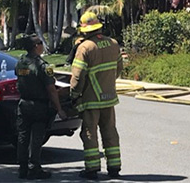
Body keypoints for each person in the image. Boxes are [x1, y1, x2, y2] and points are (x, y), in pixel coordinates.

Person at [70, 12, 123, 180]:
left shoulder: (85, 48)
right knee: (110, 131)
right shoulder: (113, 44)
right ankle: (114, 167)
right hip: (109, 98)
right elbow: (118, 70)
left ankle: (92, 169)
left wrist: (74, 94)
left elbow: (78, 76)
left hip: (90, 99)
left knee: (89, 133)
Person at [15, 35, 67, 180]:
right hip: (38, 106)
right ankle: (34, 168)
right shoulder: (43, 66)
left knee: (23, 137)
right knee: (36, 137)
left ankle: (22, 168)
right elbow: (51, 89)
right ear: (36, 46)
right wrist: (59, 109)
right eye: (40, 43)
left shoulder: (20, 63)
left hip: (23, 104)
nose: (42, 45)